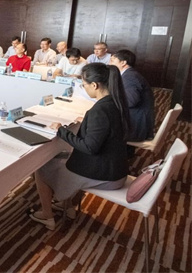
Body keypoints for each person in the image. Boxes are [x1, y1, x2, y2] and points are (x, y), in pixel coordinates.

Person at [28, 63, 129, 230]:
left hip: (105, 174)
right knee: (63, 158)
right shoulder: (116, 102)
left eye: (84, 85)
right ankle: (67, 206)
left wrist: (61, 130)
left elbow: (89, 147)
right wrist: (87, 124)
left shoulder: (100, 110)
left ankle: (47, 215)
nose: (83, 88)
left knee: (42, 166)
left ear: (94, 85)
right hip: (116, 167)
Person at [110, 50, 155, 142]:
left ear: (123, 63)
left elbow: (131, 101)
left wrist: (111, 100)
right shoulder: (129, 74)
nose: (109, 63)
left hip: (135, 125)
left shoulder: (130, 77)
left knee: (103, 128)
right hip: (136, 119)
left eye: (112, 61)